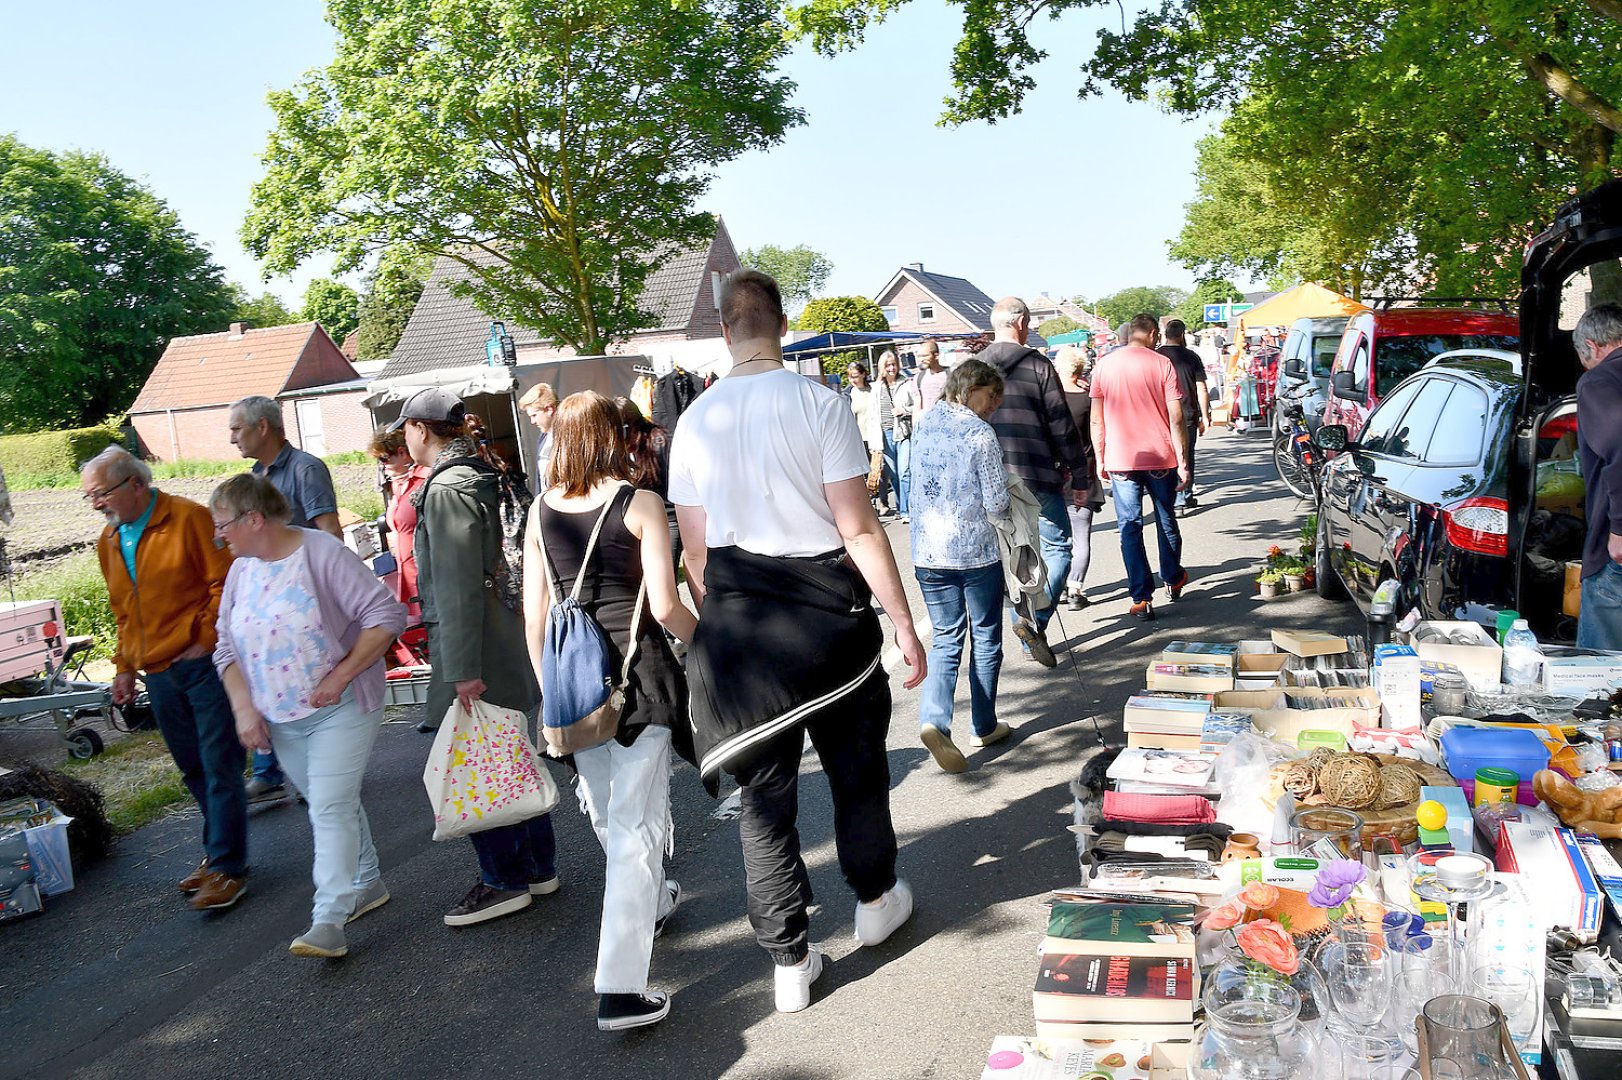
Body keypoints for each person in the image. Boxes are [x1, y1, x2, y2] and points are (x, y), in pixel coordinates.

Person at [669, 269, 925, 1014]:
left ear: (725, 329)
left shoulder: (696, 422)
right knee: (856, 771)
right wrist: (904, 624)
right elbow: (857, 526)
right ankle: (875, 900)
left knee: (764, 802)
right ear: (781, 324)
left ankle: (787, 959)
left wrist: (727, 616)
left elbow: (694, 553)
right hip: (827, 620)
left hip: (744, 625)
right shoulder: (820, 403)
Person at [522, 391, 697, 1032]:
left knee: (612, 813)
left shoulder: (538, 511)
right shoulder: (641, 504)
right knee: (635, 830)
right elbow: (667, 605)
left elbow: (534, 615)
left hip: (573, 685)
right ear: (612, 438)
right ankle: (620, 987)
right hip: (639, 679)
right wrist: (710, 645)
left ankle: (648, 902)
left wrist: (552, 691)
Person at [210, 474, 406, 958]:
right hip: (281, 719)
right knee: (330, 798)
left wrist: (340, 676)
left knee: (329, 806)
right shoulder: (242, 571)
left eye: (224, 525)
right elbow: (224, 648)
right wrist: (244, 711)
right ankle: (366, 882)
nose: (220, 536)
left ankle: (329, 919)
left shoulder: (321, 553)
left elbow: (385, 616)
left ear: (255, 519)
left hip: (340, 708)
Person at [396, 386, 560, 927]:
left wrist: (462, 670)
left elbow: (458, 585)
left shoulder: (447, 489)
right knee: (508, 753)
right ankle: (536, 868)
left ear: (420, 429)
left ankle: (503, 880)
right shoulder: (479, 473)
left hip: (476, 648)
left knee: (479, 761)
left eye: (406, 429)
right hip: (501, 637)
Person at [82, 447, 247, 911]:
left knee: (220, 763)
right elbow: (123, 610)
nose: (96, 504)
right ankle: (217, 851)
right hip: (156, 671)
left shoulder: (190, 519)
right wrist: (123, 666)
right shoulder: (110, 540)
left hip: (202, 664)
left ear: (136, 483)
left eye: (101, 493)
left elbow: (225, 581)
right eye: (89, 497)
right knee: (192, 766)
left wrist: (205, 636)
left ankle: (229, 868)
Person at [228, 394, 342, 804]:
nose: (231, 438)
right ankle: (271, 768)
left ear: (263, 427)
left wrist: (320, 595)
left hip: (300, 607)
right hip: (268, 606)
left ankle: (320, 775)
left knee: (308, 689)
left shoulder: (305, 469)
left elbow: (329, 531)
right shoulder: (255, 479)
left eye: (237, 428)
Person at [908, 359, 1012, 773]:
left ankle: (934, 720)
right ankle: (983, 724)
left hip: (928, 552)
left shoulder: (926, 421)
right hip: (975, 552)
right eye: (991, 396)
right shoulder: (979, 433)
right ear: (971, 389)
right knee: (986, 637)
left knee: (946, 639)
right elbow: (996, 502)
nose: (995, 406)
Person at [979, 296, 1085, 668]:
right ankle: (1033, 622)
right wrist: (1080, 473)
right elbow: (1061, 423)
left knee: (1016, 556)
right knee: (1058, 550)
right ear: (1022, 323)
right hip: (1037, 471)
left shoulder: (972, 368)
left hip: (990, 477)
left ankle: (1026, 628)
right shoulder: (1039, 365)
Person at [1090, 314, 1190, 621]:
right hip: (1160, 455)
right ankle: (1172, 577)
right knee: (1165, 518)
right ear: (1150, 333)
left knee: (1129, 526)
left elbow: (1097, 418)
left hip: (1121, 458)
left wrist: (1100, 456)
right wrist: (1183, 461)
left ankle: (1141, 597)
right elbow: (1176, 417)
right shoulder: (1162, 364)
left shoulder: (1104, 365)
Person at [1572, 304, 1622, 650]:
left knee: (1601, 677)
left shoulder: (1599, 381)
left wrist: (1619, 529)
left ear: (1591, 346)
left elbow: (1620, 445)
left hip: (1615, 554)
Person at [1054, 346, 1104, 609]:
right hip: (1083, 472)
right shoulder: (1088, 398)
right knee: (1081, 535)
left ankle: (1058, 586)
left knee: (1056, 537)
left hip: (1054, 474)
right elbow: (1097, 431)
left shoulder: (1049, 399)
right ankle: (1075, 590)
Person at [368, 427, 428, 624]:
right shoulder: (397, 484)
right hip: (406, 570)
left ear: (402, 453)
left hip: (424, 570)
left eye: (384, 458)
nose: (382, 465)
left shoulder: (424, 478)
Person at [614, 396, 680, 564]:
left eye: (617, 429)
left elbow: (673, 488)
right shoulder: (622, 448)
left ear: (629, 426)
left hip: (668, 517)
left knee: (664, 572)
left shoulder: (660, 442)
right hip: (638, 518)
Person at [1157, 320, 1211, 517]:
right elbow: (1201, 388)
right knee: (1186, 454)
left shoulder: (1157, 356)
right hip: (1187, 411)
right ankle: (1184, 496)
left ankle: (1170, 497)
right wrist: (1205, 415)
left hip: (1161, 413)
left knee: (1167, 455)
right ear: (1181, 335)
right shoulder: (1191, 357)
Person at [846, 361, 888, 516]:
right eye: (850, 377)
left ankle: (883, 501)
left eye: (856, 376)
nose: (853, 380)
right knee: (864, 472)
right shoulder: (849, 394)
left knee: (878, 470)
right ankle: (872, 503)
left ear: (863, 374)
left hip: (874, 435)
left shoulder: (872, 390)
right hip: (858, 438)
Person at [875, 350, 913, 521]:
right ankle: (900, 507)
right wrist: (874, 442)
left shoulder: (906, 384)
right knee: (894, 474)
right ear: (882, 367)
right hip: (885, 435)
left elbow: (916, 407)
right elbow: (872, 416)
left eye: (893, 364)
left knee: (905, 472)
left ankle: (907, 511)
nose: (891, 368)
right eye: (888, 365)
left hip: (903, 432)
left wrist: (904, 410)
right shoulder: (877, 388)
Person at [520, 382, 560, 468]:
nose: (532, 421)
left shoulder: (569, 438)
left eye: (534, 415)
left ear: (549, 409)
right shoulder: (543, 438)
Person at [911, 339, 951, 415]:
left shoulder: (951, 375)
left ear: (936, 355)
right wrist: (915, 425)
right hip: (927, 424)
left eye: (925, 356)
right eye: (919, 356)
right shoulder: (918, 378)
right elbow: (917, 406)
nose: (921, 359)